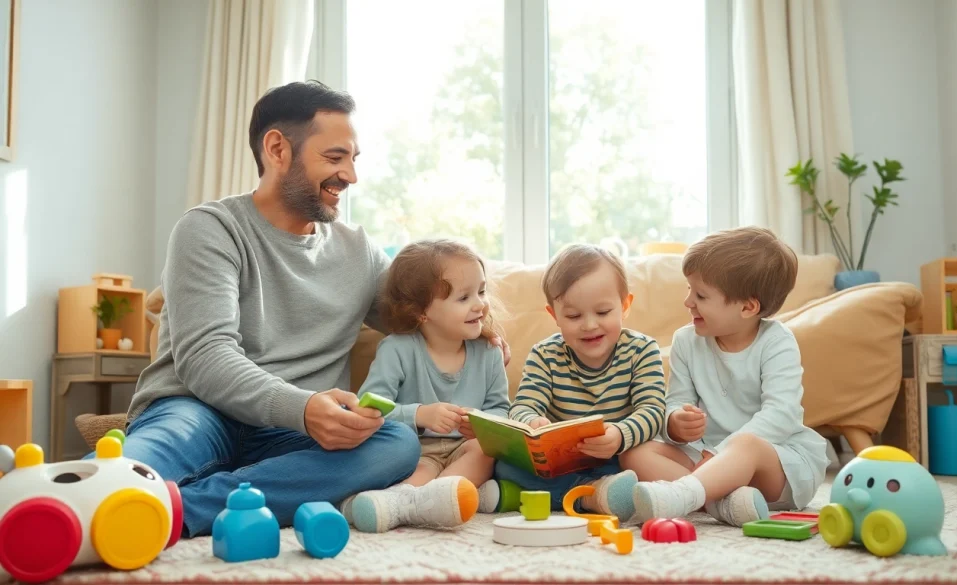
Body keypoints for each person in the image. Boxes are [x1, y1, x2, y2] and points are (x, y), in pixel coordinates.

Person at [106, 81, 508, 538]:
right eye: (335, 158)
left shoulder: (358, 252)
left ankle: (172, 508)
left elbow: (420, 309)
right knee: (116, 477)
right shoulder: (210, 229)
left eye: (354, 160)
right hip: (197, 411)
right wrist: (304, 407)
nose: (351, 176)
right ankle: (86, 501)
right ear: (277, 149)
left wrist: (482, 324)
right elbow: (205, 359)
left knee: (394, 445)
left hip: (293, 438)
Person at [630, 226, 829, 527]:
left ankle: (685, 495)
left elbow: (781, 414)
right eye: (689, 290)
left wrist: (722, 452)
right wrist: (676, 422)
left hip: (773, 463)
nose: (688, 302)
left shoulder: (777, 341)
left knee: (746, 445)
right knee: (635, 452)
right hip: (705, 456)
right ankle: (722, 504)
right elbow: (676, 400)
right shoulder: (686, 341)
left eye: (701, 295)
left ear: (748, 307)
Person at [346, 239, 511, 533]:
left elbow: (501, 408)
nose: (480, 304)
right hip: (418, 452)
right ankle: (439, 499)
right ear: (422, 311)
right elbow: (368, 409)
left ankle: (426, 501)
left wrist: (483, 422)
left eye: (481, 291)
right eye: (463, 298)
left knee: (485, 450)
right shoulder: (397, 349)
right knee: (417, 464)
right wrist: (420, 415)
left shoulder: (489, 352)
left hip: (466, 450)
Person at [493, 244, 667, 521]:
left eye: (602, 312)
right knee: (503, 465)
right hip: (564, 464)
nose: (589, 325)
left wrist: (620, 435)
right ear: (554, 316)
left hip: (619, 457)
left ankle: (541, 495)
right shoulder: (544, 354)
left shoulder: (642, 350)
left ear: (624, 306)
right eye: (574, 316)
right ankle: (592, 494)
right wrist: (532, 421)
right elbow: (523, 405)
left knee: (644, 459)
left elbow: (653, 410)